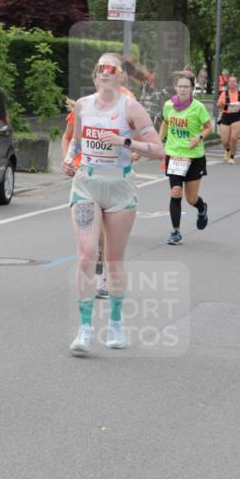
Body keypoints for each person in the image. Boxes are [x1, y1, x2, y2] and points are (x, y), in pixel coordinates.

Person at [62, 53, 164, 356]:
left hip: (119, 188)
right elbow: (77, 143)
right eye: (99, 69)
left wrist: (125, 143)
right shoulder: (82, 106)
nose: (105, 73)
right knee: (85, 256)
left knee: (114, 260)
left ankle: (116, 324)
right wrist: (69, 161)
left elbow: (158, 151)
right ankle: (84, 329)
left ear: (121, 76)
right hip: (86, 185)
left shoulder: (131, 108)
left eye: (111, 69)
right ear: (94, 76)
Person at [159, 72, 211, 245]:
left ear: (192, 89)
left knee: (191, 199)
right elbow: (166, 122)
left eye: (186, 87)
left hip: (194, 157)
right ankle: (175, 232)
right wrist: (159, 141)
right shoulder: (168, 105)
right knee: (175, 192)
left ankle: (202, 208)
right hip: (174, 155)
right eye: (180, 86)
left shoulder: (198, 107)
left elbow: (208, 127)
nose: (182, 89)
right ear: (175, 87)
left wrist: (199, 138)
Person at [216, 75, 240, 164]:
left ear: (236, 83)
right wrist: (220, 104)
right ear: (228, 83)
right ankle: (227, 150)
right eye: (230, 81)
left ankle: (232, 157)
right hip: (226, 116)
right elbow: (218, 105)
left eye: (234, 81)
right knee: (225, 140)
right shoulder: (224, 94)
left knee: (234, 139)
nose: (232, 83)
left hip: (237, 117)